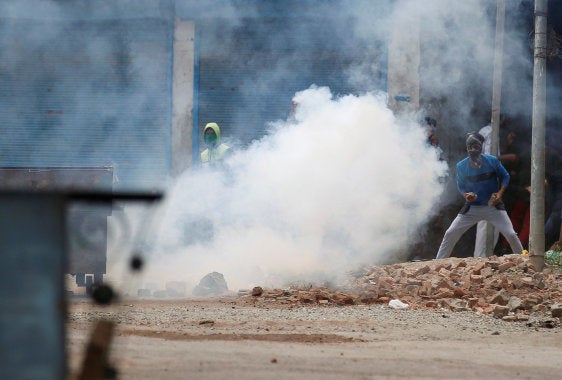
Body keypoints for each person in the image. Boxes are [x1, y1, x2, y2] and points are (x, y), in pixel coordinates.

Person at [435, 132, 524, 259]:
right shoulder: (461, 166)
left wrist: (499, 194)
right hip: (472, 207)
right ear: (466, 148)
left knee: (510, 234)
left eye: (476, 147)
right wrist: (466, 195)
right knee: (450, 233)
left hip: (493, 206)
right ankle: (438, 262)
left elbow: (505, 176)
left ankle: (524, 260)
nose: (473, 150)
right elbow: (461, 186)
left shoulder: (492, 161)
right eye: (470, 147)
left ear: (481, 147)